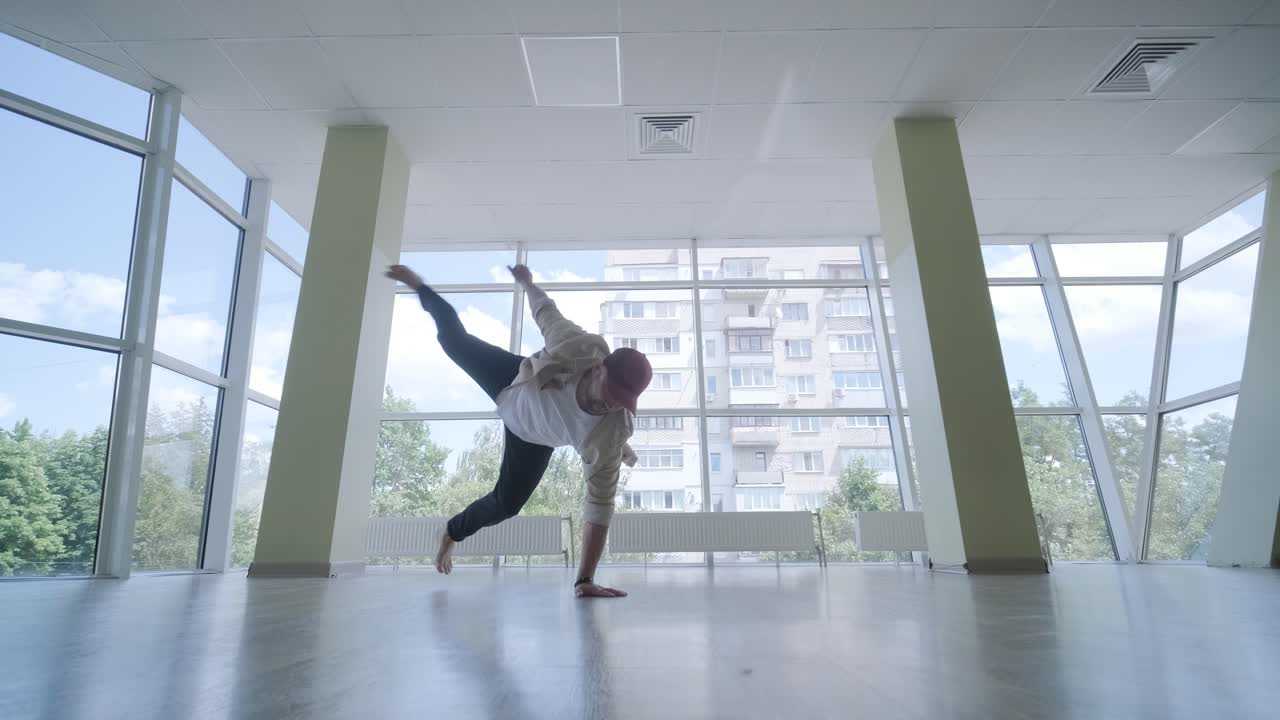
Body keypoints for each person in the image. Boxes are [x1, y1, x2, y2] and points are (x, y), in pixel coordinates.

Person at [385, 263, 652, 599]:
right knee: (454, 340)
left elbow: (600, 506)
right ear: (599, 369)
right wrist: (527, 283)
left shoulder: (612, 430)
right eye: (610, 395)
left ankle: (451, 533)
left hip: (533, 437)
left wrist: (584, 579)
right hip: (514, 381)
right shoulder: (576, 345)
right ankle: (419, 285)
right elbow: (545, 311)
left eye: (621, 403)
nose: (611, 406)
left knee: (506, 504)